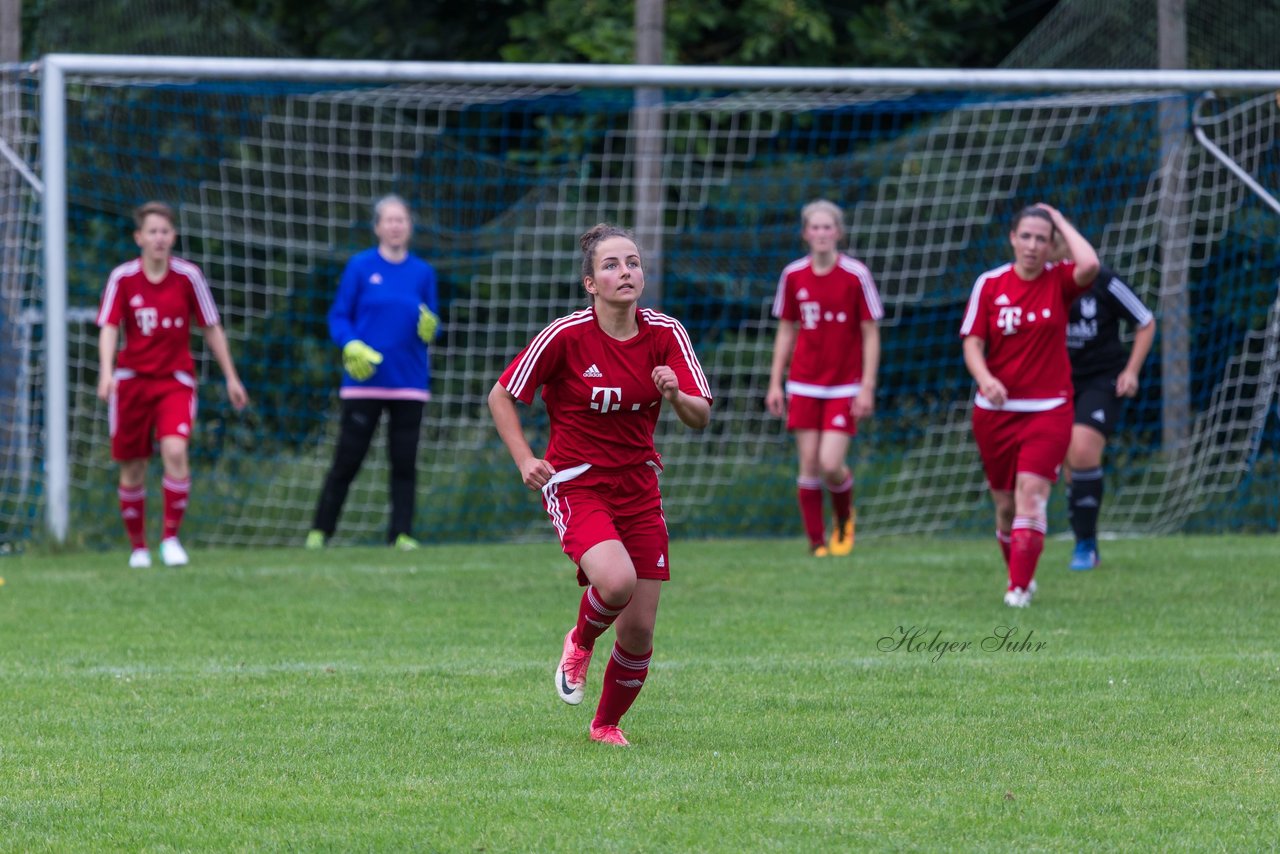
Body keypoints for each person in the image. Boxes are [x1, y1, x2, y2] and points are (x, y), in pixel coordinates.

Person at [488, 223, 712, 747]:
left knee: (638, 631)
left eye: (632, 262)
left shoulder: (665, 333)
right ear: (590, 283)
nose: (625, 272)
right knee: (615, 582)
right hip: (575, 485)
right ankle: (580, 640)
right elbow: (501, 396)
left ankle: (605, 725)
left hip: (639, 488)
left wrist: (675, 396)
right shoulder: (565, 335)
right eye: (611, 265)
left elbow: (700, 415)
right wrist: (525, 460)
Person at [96, 201, 249, 568]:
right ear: (139, 238)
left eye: (165, 232)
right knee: (132, 466)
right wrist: (106, 372)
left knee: (176, 451)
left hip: (175, 381)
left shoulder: (188, 277)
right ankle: (138, 548)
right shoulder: (123, 278)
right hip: (131, 382)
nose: (159, 238)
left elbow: (211, 326)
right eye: (152, 232)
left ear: (173, 237)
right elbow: (110, 326)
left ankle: (170, 539)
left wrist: (231, 376)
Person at [960, 203, 1099, 607]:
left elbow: (1089, 263)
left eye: (1042, 238)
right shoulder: (989, 284)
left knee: (1032, 494)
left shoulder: (1059, 281)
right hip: (995, 413)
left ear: (1052, 243)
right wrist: (986, 379)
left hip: (1049, 409)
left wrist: (1060, 219)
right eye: (1027, 236)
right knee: (1005, 507)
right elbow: (972, 343)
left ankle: (1017, 589)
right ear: (1012, 239)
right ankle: (1018, 575)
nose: (1033, 246)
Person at [306, 195, 440, 550]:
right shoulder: (360, 267)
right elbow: (338, 317)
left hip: (409, 383)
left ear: (409, 227)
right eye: (389, 220)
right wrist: (350, 343)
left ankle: (400, 534)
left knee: (404, 463)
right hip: (364, 383)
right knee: (347, 460)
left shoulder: (423, 272)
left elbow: (432, 322)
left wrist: (431, 328)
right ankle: (320, 532)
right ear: (378, 227)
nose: (396, 226)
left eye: (402, 220)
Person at [765, 199, 882, 557]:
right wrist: (775, 382)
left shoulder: (855, 275)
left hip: (844, 385)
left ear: (838, 233)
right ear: (805, 234)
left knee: (831, 464)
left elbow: (870, 333)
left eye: (827, 227)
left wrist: (867, 386)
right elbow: (786, 331)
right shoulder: (793, 275)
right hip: (802, 383)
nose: (820, 233)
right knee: (809, 463)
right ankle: (817, 544)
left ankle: (844, 520)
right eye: (814, 227)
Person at [1063, 264, 1156, 570]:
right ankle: (1082, 538)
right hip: (1054, 380)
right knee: (1067, 461)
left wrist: (1130, 371)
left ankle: (1086, 546)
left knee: (1083, 449)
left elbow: (1144, 321)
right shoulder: (1039, 281)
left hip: (1102, 380)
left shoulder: (1103, 281)